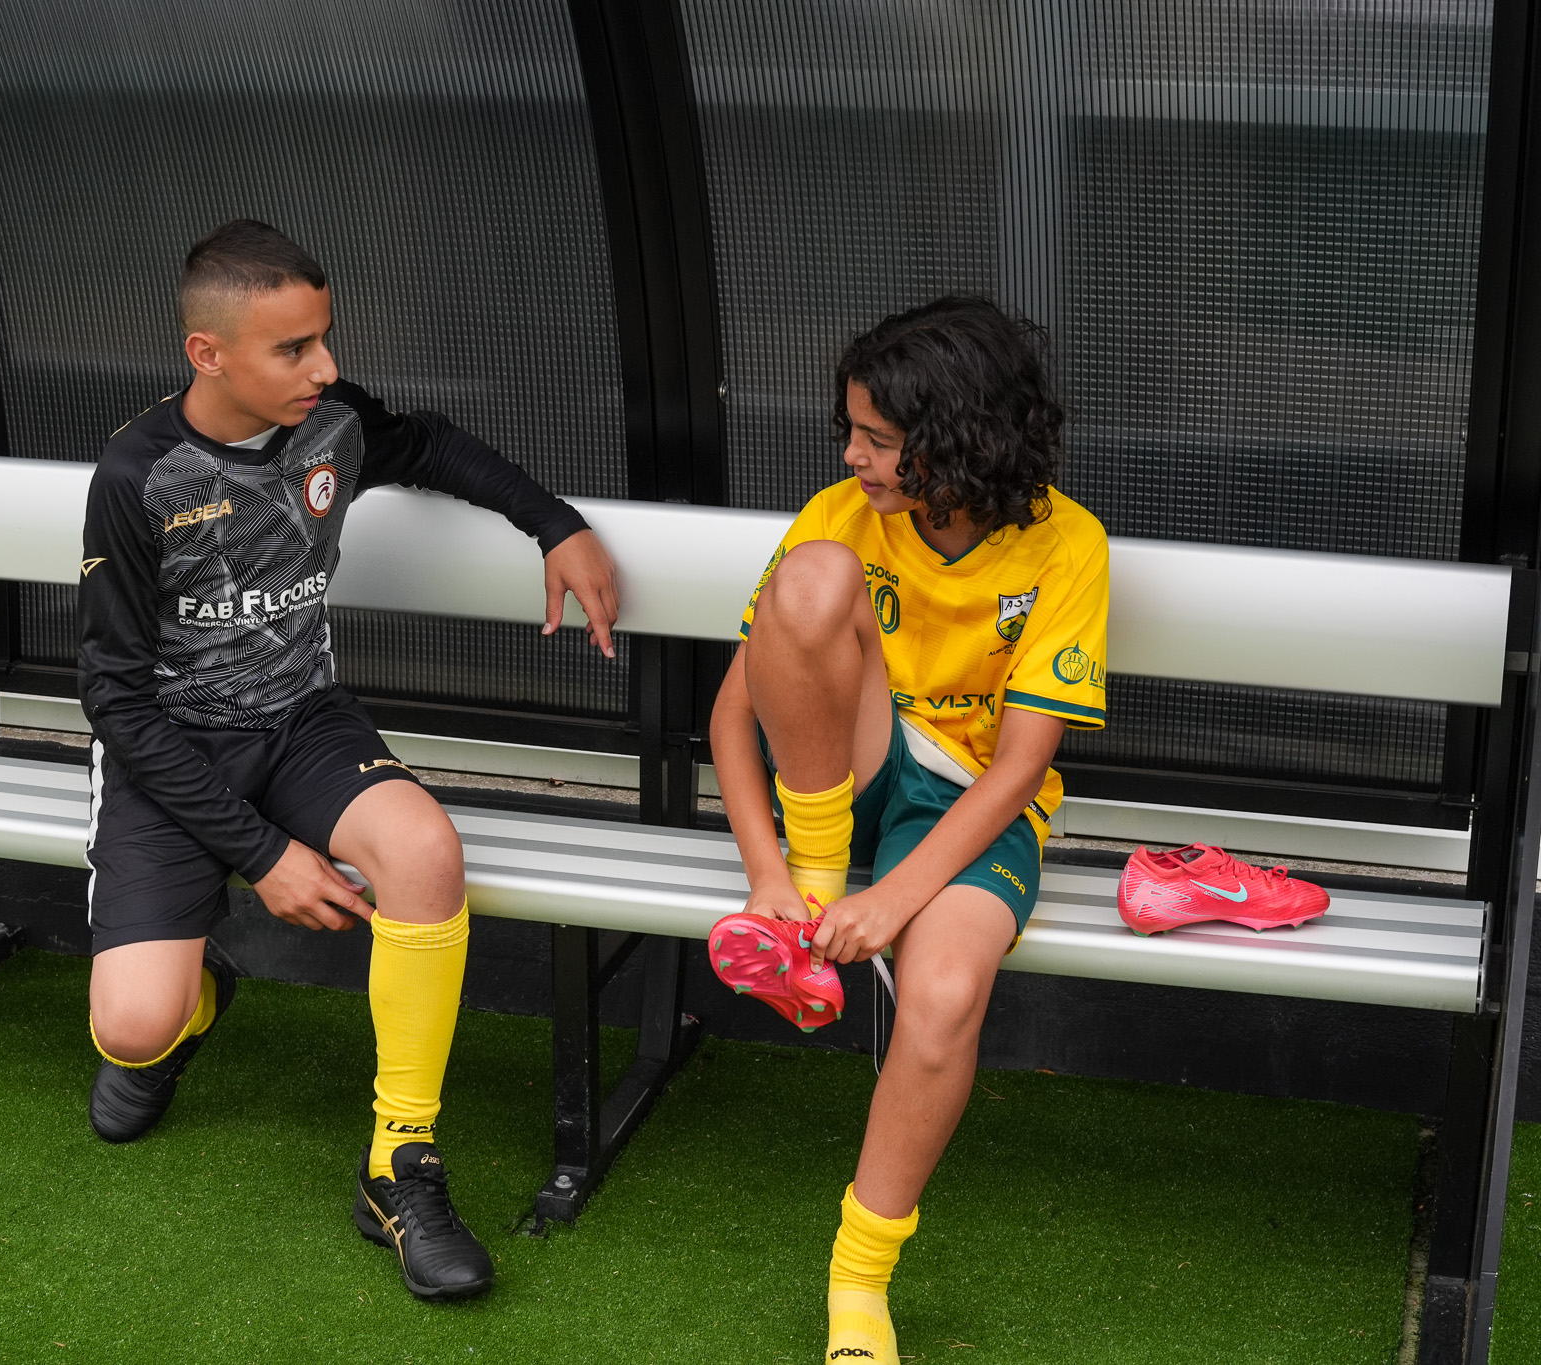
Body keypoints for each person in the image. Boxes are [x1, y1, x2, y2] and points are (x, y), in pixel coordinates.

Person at [77, 218, 619, 1302]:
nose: (324, 368)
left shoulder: (331, 421)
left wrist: (555, 525)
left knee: (424, 849)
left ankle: (398, 1166)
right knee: (132, 1030)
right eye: (293, 348)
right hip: (171, 751)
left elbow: (435, 445)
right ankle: (194, 999)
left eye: (324, 339)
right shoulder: (138, 475)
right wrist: (265, 857)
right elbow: (116, 700)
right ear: (206, 354)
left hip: (303, 724)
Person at [706, 296, 1109, 1363]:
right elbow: (731, 714)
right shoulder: (838, 514)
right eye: (852, 431)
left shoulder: (1066, 544)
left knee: (943, 995)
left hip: (969, 804)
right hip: (834, 780)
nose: (854, 457)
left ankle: (857, 1284)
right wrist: (770, 877)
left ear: (960, 438)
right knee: (813, 577)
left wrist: (895, 898)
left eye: (879, 440)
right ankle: (810, 896)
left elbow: (1019, 769)